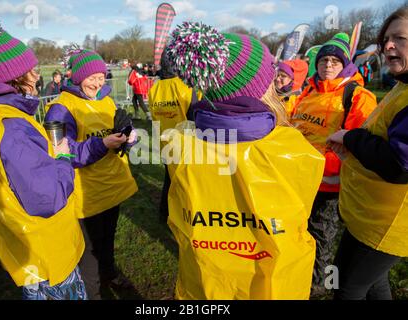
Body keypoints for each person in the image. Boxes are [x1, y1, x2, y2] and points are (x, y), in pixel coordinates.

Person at [164, 22, 325, 300]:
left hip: (205, 286)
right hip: (275, 285)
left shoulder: (178, 141)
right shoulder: (292, 148)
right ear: (258, 88)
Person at [0, 3, 86, 300]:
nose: (36, 74)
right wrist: (64, 157)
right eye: (30, 69)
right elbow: (48, 196)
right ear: (16, 77)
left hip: (23, 250)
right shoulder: (11, 126)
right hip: (48, 257)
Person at [327, 7, 408, 300]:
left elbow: (400, 166)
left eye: (400, 38)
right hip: (373, 214)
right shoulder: (402, 85)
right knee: (373, 282)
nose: (387, 45)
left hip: (386, 224)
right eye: (386, 38)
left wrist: (351, 137)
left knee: (345, 285)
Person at [44, 49, 138, 300]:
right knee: (90, 252)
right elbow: (61, 153)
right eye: (91, 77)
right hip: (87, 195)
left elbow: (115, 133)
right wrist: (102, 144)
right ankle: (93, 292)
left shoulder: (105, 99)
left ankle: (110, 274)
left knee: (107, 239)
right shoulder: (60, 109)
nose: (97, 83)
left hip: (112, 186)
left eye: (100, 76)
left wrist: (128, 137)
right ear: (77, 77)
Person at [290, 32, 378, 297]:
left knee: (322, 234)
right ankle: (300, 272)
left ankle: (319, 284)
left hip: (330, 183)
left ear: (345, 65)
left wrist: (323, 163)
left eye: (335, 61)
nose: (328, 65)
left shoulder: (357, 96)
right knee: (300, 228)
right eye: (324, 60)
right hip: (298, 177)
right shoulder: (308, 90)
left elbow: (359, 142)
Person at [148, 49, 202, 223]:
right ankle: (183, 216)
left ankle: (165, 213)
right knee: (185, 185)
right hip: (186, 146)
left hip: (164, 143)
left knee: (169, 179)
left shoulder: (154, 89)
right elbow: (196, 117)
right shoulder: (186, 87)